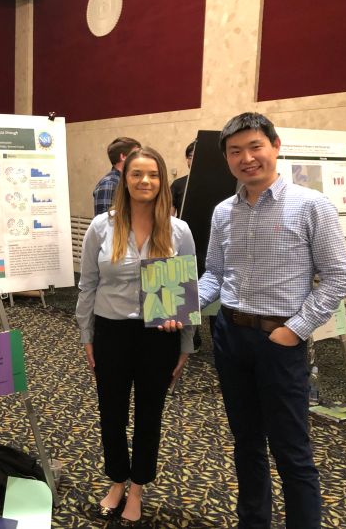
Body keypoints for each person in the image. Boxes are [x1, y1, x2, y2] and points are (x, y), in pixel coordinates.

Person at [197, 112, 346, 529]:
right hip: (230, 337)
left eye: (255, 147)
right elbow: (215, 272)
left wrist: (294, 329)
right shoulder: (223, 212)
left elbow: (339, 277)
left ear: (275, 146)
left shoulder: (310, 205)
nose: (246, 158)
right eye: (235, 151)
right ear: (227, 158)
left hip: (279, 340)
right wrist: (177, 306)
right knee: (246, 443)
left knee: (291, 450)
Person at [76, 147, 196, 525]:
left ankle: (139, 487)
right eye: (136, 174)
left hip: (159, 335)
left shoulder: (179, 230)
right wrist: (86, 335)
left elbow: (186, 289)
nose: (145, 181)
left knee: (149, 414)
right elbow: (87, 285)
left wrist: (186, 343)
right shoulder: (102, 227)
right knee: (111, 413)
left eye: (153, 175)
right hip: (111, 330)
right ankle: (116, 480)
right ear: (124, 180)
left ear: (162, 181)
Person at [92, 136, 141, 216]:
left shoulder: (129, 181)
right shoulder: (109, 183)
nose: (140, 158)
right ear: (123, 157)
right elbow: (103, 223)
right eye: (136, 154)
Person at [170, 139, 196, 217]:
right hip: (183, 228)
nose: (194, 160)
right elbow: (169, 217)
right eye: (191, 156)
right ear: (187, 159)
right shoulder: (177, 184)